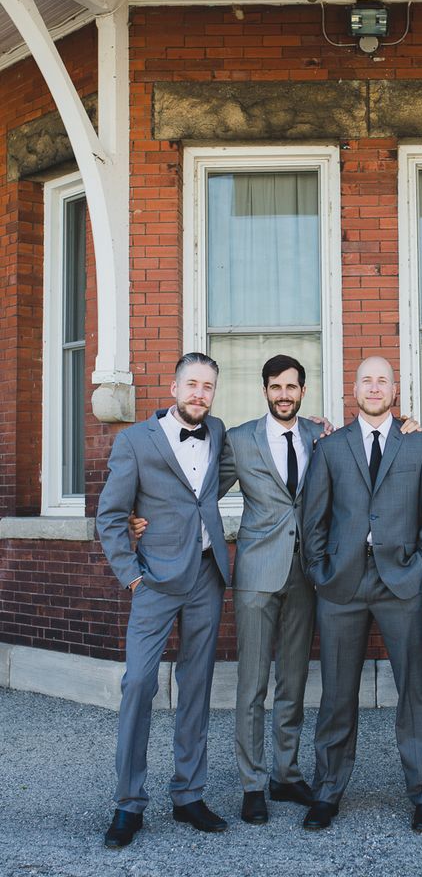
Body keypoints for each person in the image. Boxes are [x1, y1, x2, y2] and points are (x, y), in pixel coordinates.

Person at [301, 356, 422, 833]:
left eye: (383, 380)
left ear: (394, 389)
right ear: (355, 389)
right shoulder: (331, 447)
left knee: (416, 691)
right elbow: (314, 519)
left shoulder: (419, 445)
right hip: (341, 583)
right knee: (337, 693)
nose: (374, 387)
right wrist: (320, 572)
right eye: (366, 380)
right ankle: (327, 792)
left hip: (400, 580)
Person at [96, 353, 231, 849]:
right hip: (153, 580)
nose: (199, 393)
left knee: (197, 686)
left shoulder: (218, 432)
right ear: (174, 388)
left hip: (206, 578)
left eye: (208, 386)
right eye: (191, 384)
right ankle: (128, 802)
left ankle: (188, 794)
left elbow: (242, 469)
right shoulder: (135, 440)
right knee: (138, 684)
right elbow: (110, 515)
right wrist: (132, 576)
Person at [217, 354, 323, 825]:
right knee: (253, 683)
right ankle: (252, 782)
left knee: (294, 681)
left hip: (306, 575)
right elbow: (199, 491)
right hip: (257, 574)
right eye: (276, 387)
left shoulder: (320, 437)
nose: (284, 394)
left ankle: (286, 772)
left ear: (302, 391)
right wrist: (146, 515)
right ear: (265, 390)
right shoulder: (239, 440)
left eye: (292, 387)